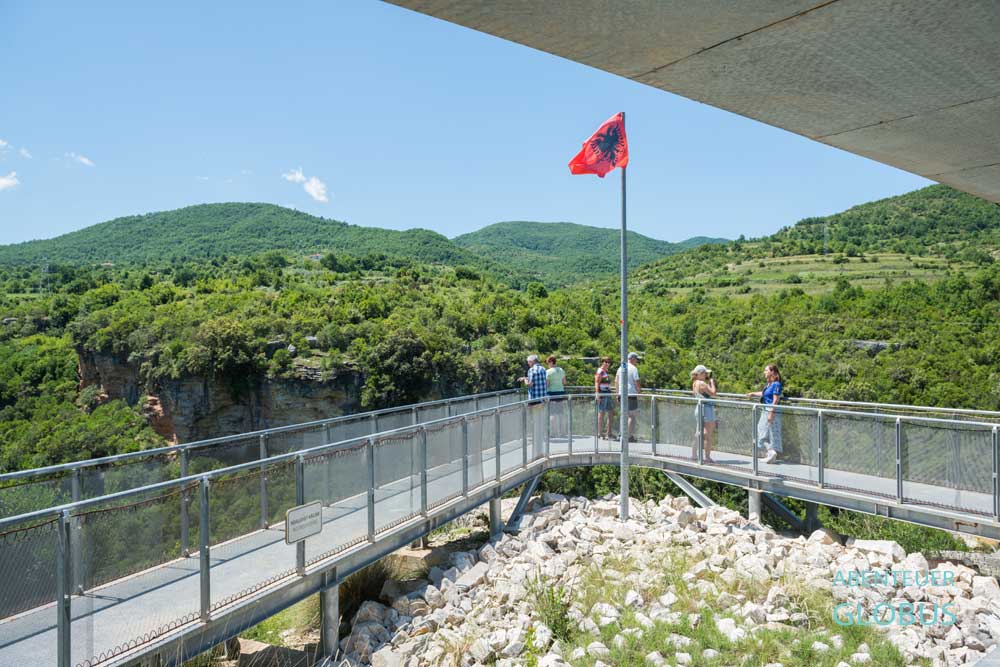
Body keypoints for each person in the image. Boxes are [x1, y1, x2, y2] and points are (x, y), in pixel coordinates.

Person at [747, 363, 783, 463]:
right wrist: (753, 393)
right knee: (768, 432)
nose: (764, 372)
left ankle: (771, 452)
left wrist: (771, 412)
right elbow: (763, 394)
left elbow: (775, 400)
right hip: (767, 410)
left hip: (770, 409)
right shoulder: (769, 384)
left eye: (766, 370)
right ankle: (771, 455)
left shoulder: (776, 384)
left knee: (764, 432)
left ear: (772, 372)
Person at [690, 364, 717, 464]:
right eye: (705, 373)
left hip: (699, 408)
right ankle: (707, 457)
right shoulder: (702, 383)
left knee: (698, 432)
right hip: (706, 409)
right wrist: (712, 383)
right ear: (700, 374)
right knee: (707, 434)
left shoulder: (695, 383)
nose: (706, 375)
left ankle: (694, 455)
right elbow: (713, 393)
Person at [614, 352, 641, 442]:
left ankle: (621, 435)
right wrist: (639, 392)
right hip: (631, 394)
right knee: (631, 416)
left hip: (621, 394)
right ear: (632, 359)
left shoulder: (621, 367)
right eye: (636, 359)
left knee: (623, 415)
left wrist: (617, 393)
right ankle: (628, 436)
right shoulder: (634, 368)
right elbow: (637, 381)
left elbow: (616, 381)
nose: (637, 361)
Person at [545, 355, 567, 435]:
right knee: (561, 413)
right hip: (561, 393)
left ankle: (553, 433)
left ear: (551, 362)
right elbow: (564, 382)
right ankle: (563, 432)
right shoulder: (561, 370)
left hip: (552, 393)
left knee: (552, 414)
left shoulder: (548, 372)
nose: (547, 365)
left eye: (548, 363)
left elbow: (547, 384)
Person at [594, 357, 614, 439]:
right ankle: (599, 433)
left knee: (611, 412)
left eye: (609, 362)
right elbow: (596, 383)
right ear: (602, 362)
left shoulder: (606, 371)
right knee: (601, 413)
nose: (607, 363)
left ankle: (608, 432)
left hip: (608, 393)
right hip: (602, 393)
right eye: (605, 362)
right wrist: (597, 394)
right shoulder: (600, 371)